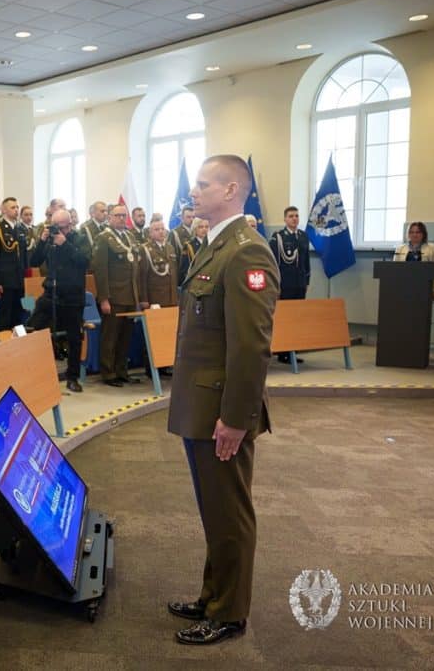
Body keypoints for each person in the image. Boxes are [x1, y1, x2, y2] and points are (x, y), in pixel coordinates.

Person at [167, 154, 278, 646]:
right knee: (215, 509)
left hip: (221, 411)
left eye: (203, 184)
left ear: (232, 190)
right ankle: (213, 595)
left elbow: (251, 346)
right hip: (202, 405)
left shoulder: (246, 252)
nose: (193, 191)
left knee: (229, 512)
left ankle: (229, 613)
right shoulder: (215, 245)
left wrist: (235, 418)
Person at [28, 208, 91, 393]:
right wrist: (42, 240)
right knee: (31, 328)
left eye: (61, 227)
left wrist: (65, 245)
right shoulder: (49, 240)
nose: (58, 230)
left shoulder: (80, 239)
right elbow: (34, 261)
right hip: (51, 294)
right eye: (54, 226)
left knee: (74, 338)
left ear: (70, 225)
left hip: (72, 296)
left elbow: (85, 262)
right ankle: (31, 373)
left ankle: (72, 377)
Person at [92, 204, 140, 387]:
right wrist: (104, 298)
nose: (121, 218)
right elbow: (100, 271)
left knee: (125, 337)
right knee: (110, 336)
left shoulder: (129, 236)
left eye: (123, 215)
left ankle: (121, 370)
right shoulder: (103, 238)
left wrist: (136, 297)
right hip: (114, 296)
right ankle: (108, 373)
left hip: (129, 295)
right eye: (117, 215)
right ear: (110, 217)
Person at [269, 206, 311, 364]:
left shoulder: (303, 236)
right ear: (285, 219)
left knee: (297, 318)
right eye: (291, 216)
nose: (294, 219)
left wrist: (307, 281)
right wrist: (276, 285)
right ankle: (282, 352)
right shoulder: (278, 237)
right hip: (285, 285)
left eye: (296, 216)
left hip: (300, 284)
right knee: (284, 319)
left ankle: (293, 350)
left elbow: (306, 261)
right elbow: (273, 263)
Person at [0, 196, 27, 331]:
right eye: (12, 207)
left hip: (20, 280)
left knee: (19, 315)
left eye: (17, 207)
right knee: (5, 317)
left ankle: (18, 342)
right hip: (5, 282)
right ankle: (3, 342)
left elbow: (24, 257)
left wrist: (26, 278)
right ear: (3, 210)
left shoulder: (21, 229)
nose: (16, 210)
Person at [393, 221, 434, 300]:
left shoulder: (432, 248)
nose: (414, 235)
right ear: (408, 234)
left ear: (423, 234)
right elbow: (394, 271)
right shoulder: (400, 249)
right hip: (404, 288)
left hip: (424, 289)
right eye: (411, 232)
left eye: (418, 232)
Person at [139, 219, 180, 309]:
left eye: (162, 229)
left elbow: (174, 273)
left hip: (172, 297)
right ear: (150, 233)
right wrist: (144, 299)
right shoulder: (145, 249)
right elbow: (142, 276)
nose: (161, 232)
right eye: (157, 229)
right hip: (155, 297)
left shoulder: (170, 248)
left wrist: (176, 297)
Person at [179, 217, 209, 288]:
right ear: (195, 229)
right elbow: (185, 269)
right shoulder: (189, 246)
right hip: (195, 283)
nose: (204, 229)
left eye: (206, 227)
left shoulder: (212, 243)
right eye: (201, 227)